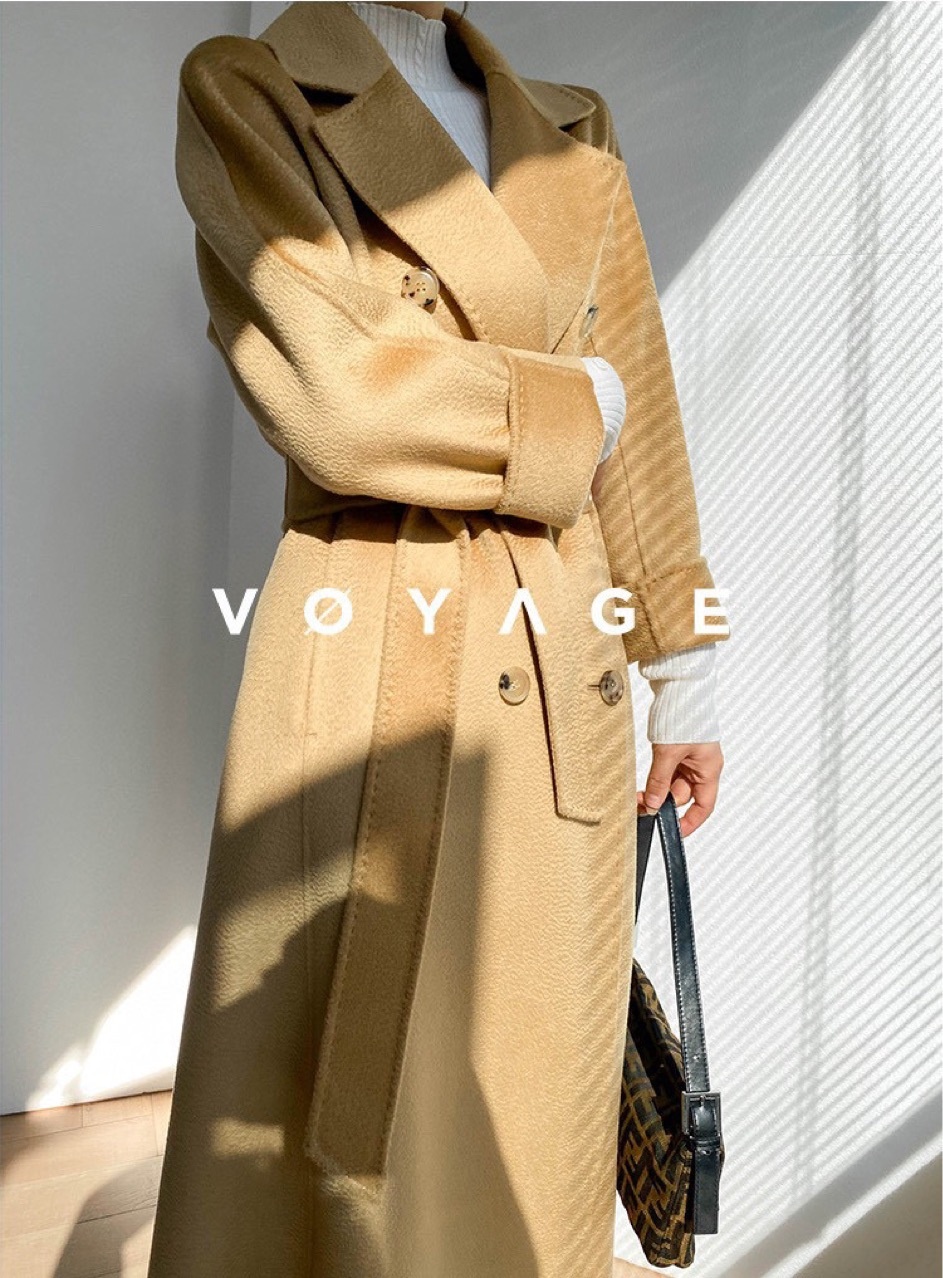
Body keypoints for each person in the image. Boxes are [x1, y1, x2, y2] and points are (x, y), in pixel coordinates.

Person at [146, 4, 730, 1276]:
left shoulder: (572, 126)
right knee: (355, 1107)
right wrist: (578, 405)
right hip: (372, 651)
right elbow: (339, 402)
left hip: (564, 665)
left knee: (531, 1103)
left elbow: (639, 398)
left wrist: (683, 666)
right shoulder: (251, 87)